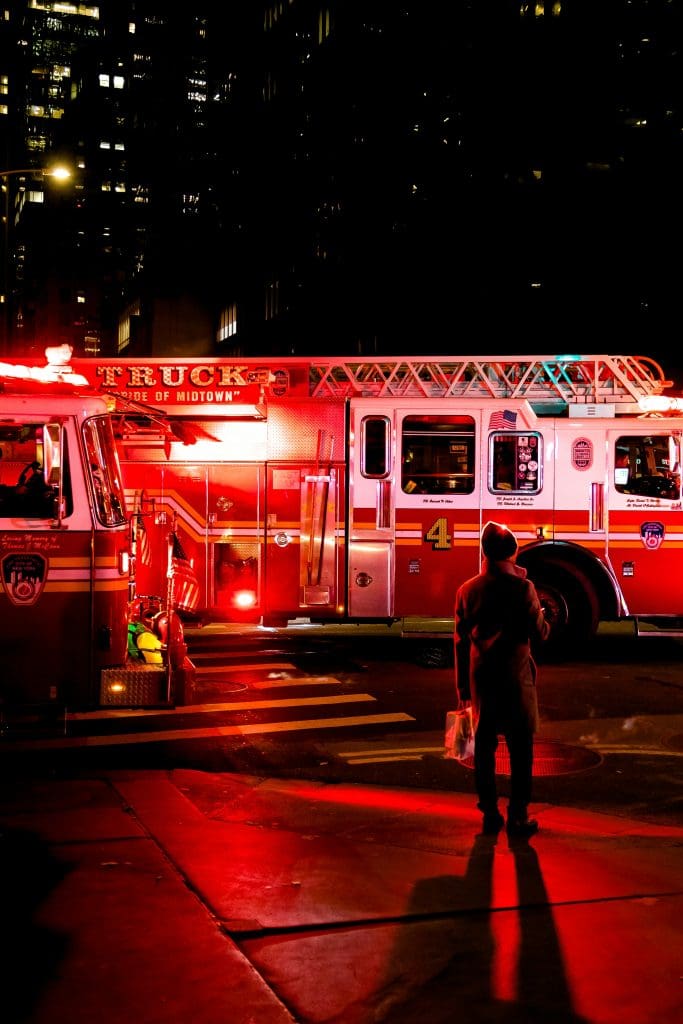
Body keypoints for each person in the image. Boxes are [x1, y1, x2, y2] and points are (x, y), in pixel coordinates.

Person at [454, 521, 550, 838]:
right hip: (515, 679)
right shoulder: (523, 589)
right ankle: (518, 815)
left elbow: (460, 642)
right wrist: (543, 614)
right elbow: (540, 632)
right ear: (513, 552)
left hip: (481, 680)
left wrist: (463, 689)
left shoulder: (467, 590)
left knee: (483, 748)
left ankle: (489, 811)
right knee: (520, 750)